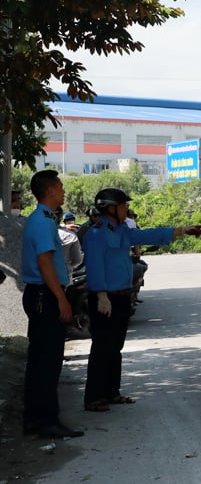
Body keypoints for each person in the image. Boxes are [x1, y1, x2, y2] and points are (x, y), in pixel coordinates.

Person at [80, 187, 201, 412]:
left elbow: (149, 235)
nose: (127, 209)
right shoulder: (96, 234)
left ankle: (111, 392)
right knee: (102, 347)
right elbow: (95, 266)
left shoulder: (121, 231)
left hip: (122, 297)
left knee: (115, 346)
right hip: (105, 298)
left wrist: (182, 230)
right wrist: (100, 294)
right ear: (110, 207)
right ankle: (94, 397)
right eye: (123, 205)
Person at [20, 169, 84, 438]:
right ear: (49, 191)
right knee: (48, 362)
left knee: (39, 361)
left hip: (40, 295)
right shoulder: (44, 222)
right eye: (59, 185)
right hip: (46, 296)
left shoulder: (41, 219)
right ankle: (47, 421)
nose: (63, 190)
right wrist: (61, 299)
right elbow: (45, 262)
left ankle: (35, 419)